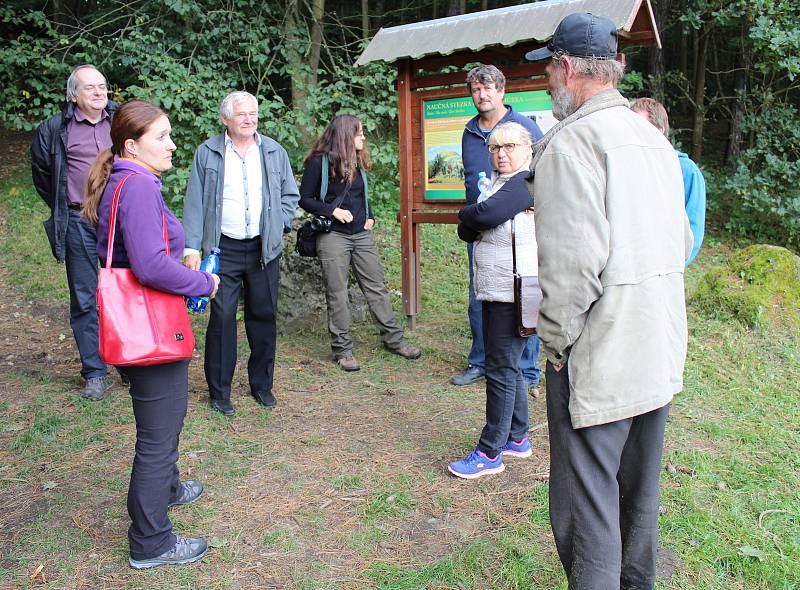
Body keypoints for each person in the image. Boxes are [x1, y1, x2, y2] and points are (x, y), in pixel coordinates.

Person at [525, 13, 693, 589]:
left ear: (568, 68)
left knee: (587, 513)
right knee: (638, 502)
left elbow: (571, 271)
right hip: (658, 349)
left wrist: (556, 346)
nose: (547, 78)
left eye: (549, 66)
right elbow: (683, 240)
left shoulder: (572, 144)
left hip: (598, 354)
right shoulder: (654, 139)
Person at [82, 99, 220, 569]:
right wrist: (204, 282)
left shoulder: (128, 181)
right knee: (157, 438)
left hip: (146, 322)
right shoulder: (137, 186)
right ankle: (151, 542)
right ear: (131, 145)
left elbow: (142, 253)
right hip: (148, 331)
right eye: (161, 136)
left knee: (168, 421)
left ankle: (168, 488)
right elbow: (147, 265)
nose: (172, 144)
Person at [183, 91, 300, 416]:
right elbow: (194, 203)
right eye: (241, 114)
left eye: (253, 113)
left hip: (264, 249)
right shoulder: (207, 153)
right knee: (221, 319)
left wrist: (278, 224)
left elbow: (291, 194)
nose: (249, 119)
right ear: (225, 120)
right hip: (222, 250)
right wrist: (192, 247)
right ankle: (219, 392)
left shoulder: (274, 151)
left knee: (263, 317)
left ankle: (261, 385)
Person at [448, 122, 538, 479]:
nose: (501, 154)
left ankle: (490, 452)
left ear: (527, 149)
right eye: (495, 148)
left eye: (510, 146)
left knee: (500, 369)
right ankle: (517, 438)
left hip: (512, 291)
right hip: (496, 287)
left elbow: (480, 216)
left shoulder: (524, 183)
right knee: (509, 365)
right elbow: (468, 229)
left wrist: (471, 214)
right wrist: (473, 216)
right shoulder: (502, 184)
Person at [299, 115, 421, 371]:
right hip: (333, 235)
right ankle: (343, 350)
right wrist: (333, 211)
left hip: (361, 235)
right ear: (345, 135)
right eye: (359, 133)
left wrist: (371, 216)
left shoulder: (357, 161)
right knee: (337, 292)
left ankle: (394, 340)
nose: (363, 137)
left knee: (376, 287)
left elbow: (360, 194)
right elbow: (305, 199)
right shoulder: (318, 163)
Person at [452, 65, 544, 392]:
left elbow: (541, 169)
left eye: (488, 88)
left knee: (523, 298)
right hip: (481, 226)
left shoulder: (523, 126)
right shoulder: (469, 131)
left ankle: (528, 373)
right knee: (480, 295)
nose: (482, 95)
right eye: (476, 90)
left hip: (519, 229)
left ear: (502, 91)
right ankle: (481, 362)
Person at [30, 64, 119, 400]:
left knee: (121, 292)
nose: (98, 93)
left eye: (102, 86)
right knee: (85, 299)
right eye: (89, 88)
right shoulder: (56, 129)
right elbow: (42, 173)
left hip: (119, 220)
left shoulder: (120, 121)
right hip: (78, 220)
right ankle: (95, 371)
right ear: (73, 95)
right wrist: (65, 203)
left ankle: (126, 359)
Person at [631, 97, 707, 264]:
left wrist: (672, 267)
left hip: (666, 270)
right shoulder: (630, 167)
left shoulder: (687, 171)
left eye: (640, 127)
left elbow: (694, 231)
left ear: (660, 130)